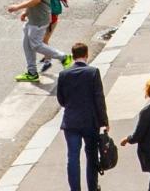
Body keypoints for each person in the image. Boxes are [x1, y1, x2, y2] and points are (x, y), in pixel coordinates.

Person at [54, 41, 110, 191]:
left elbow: (61, 99)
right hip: (90, 121)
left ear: (73, 56)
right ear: (86, 55)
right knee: (91, 156)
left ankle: (75, 189)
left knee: (73, 157)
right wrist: (104, 121)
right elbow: (99, 98)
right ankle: (92, 187)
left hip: (71, 122)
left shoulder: (64, 74)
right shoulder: (93, 72)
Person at [11, 0, 56, 82]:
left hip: (39, 18)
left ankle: (63, 57)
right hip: (32, 17)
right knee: (27, 43)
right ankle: (32, 72)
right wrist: (26, 11)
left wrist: (17, 7)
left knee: (36, 45)